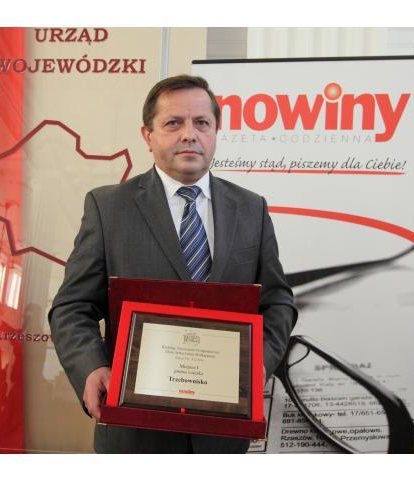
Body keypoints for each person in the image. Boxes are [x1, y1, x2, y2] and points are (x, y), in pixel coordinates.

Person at [49, 74, 297, 453]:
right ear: (147, 135)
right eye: (173, 123)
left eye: (202, 123)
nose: (189, 134)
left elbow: (278, 302)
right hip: (134, 434)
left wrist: (257, 365)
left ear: (215, 133)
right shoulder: (108, 207)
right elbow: (72, 307)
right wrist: (92, 367)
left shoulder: (252, 209)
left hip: (220, 435)